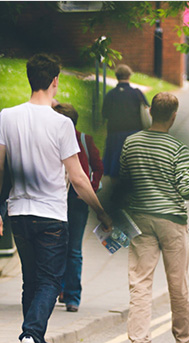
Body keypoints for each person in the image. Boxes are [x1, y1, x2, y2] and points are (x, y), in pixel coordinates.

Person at [0, 54, 112, 343]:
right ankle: (30, 337)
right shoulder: (61, 123)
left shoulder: (7, 117)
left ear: (30, 79)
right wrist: (100, 211)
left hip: (18, 212)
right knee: (51, 282)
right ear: (55, 80)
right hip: (52, 216)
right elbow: (78, 177)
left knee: (32, 280)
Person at [118, 92, 189, 343]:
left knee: (140, 280)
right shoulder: (178, 148)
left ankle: (140, 340)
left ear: (150, 111)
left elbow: (124, 180)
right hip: (172, 221)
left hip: (140, 219)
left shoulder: (131, 143)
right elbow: (186, 190)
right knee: (177, 281)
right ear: (174, 116)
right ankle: (184, 337)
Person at [53, 103, 103, 313]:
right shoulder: (53, 139)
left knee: (68, 247)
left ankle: (70, 294)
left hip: (74, 199)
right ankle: (65, 292)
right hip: (60, 199)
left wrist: (89, 189)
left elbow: (97, 167)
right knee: (65, 247)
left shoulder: (82, 139)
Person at [101, 64, 148, 179]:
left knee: (115, 164)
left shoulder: (110, 94)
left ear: (117, 76)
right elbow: (147, 109)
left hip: (115, 132)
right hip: (135, 132)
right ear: (129, 76)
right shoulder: (136, 93)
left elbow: (105, 114)